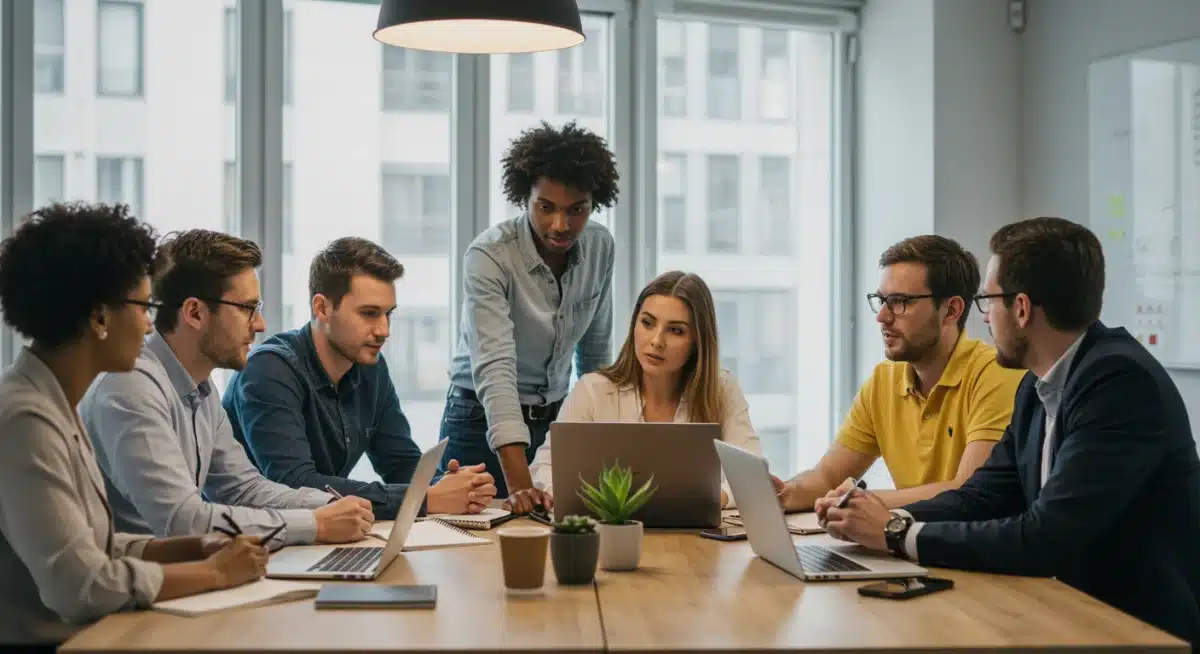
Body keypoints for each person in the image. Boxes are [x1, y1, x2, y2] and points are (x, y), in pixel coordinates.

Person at [820, 217, 1200, 645]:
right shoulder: (1036, 386)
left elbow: (1045, 537)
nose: (983, 319)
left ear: (1020, 309)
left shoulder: (1118, 382)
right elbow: (981, 497)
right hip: (1061, 610)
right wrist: (876, 519)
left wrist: (895, 534)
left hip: (1133, 630)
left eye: (987, 301)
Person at [0, 203, 266, 649]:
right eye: (143, 307)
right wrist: (214, 572)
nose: (149, 325)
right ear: (99, 317)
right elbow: (81, 586)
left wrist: (186, 548)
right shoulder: (26, 420)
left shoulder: (52, 400)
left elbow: (91, 547)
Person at [80, 230, 373, 547]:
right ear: (195, 313)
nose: (260, 325)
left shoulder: (201, 390)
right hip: (143, 586)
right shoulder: (130, 387)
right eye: (248, 308)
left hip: (180, 578)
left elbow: (243, 489)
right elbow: (182, 521)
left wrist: (329, 506)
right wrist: (315, 525)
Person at [223, 237, 495, 519]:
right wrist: (426, 499)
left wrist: (455, 487)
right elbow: (296, 484)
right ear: (322, 308)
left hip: (321, 534)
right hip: (255, 542)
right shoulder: (268, 371)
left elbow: (399, 462)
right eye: (369, 314)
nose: (384, 330)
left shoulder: (370, 367)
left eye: (388, 314)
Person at [774, 235, 1025, 512]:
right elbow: (828, 477)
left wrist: (864, 502)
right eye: (881, 300)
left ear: (951, 310)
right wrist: (785, 493)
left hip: (961, 551)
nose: (882, 316)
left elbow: (968, 491)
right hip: (901, 545)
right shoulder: (884, 381)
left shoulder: (996, 374)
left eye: (899, 301)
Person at [440, 120, 619, 503]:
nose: (560, 224)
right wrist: (520, 484)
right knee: (471, 547)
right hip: (479, 417)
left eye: (577, 210)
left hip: (556, 418)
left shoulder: (601, 247)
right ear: (525, 197)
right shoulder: (490, 256)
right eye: (546, 207)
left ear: (594, 203)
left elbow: (595, 358)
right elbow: (495, 367)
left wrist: (599, 445)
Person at [517, 271, 762, 513]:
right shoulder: (593, 390)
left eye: (676, 330)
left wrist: (714, 499)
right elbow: (545, 467)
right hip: (610, 534)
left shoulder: (722, 390)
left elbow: (752, 474)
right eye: (647, 323)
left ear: (698, 341)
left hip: (697, 541)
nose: (656, 341)